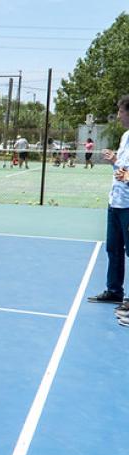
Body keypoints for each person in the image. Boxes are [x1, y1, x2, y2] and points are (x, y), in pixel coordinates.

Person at [90, 95, 129, 308]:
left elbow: (127, 174)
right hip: (115, 202)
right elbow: (122, 168)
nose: (118, 115)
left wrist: (123, 172)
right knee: (113, 248)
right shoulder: (125, 137)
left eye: (121, 111)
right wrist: (114, 160)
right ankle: (114, 290)